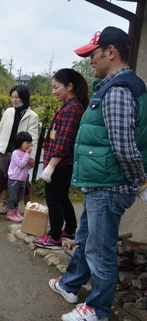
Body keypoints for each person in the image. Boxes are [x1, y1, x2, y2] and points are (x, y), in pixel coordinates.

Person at [48, 26, 147, 321]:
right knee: (86, 237)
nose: (90, 60)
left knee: (100, 250)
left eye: (93, 54)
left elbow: (124, 146)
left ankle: (98, 309)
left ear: (111, 52)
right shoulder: (117, 85)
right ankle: (70, 284)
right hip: (102, 182)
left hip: (110, 184)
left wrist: (139, 181)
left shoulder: (117, 90)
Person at [33, 68, 89, 250]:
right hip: (62, 163)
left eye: (56, 87)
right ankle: (71, 230)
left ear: (69, 86)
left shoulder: (72, 109)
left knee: (54, 200)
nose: (54, 91)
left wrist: (50, 166)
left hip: (61, 164)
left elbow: (64, 143)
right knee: (62, 197)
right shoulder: (68, 106)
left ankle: (54, 237)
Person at [0, 85, 38, 214]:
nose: (14, 100)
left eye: (17, 97)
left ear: (24, 97)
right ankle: (6, 204)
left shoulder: (32, 116)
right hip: (2, 149)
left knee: (21, 178)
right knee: (4, 177)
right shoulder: (9, 111)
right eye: (12, 97)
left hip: (19, 152)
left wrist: (31, 156)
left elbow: (33, 138)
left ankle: (28, 205)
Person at [5, 131, 32, 222]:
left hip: (22, 180)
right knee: (13, 198)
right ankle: (10, 213)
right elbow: (21, 164)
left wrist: (31, 165)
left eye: (30, 143)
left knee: (19, 197)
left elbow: (25, 167)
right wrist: (27, 155)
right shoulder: (16, 153)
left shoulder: (25, 153)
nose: (29, 145)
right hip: (14, 179)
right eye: (27, 143)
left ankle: (16, 212)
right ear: (20, 142)